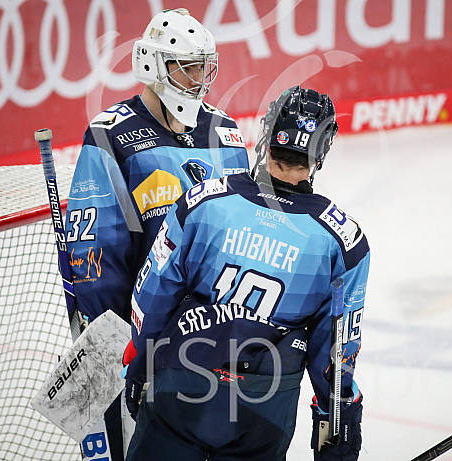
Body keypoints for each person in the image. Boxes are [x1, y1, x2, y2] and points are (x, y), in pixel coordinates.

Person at [123, 86, 369, 461]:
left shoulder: (203, 200)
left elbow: (154, 295)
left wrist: (138, 365)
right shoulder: (343, 241)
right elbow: (336, 349)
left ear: (268, 131)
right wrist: (338, 418)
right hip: (264, 405)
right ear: (322, 150)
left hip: (181, 382)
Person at [65, 8, 249, 460]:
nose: (199, 79)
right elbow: (93, 255)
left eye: (205, 67)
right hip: (140, 343)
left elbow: (242, 234)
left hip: (209, 341)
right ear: (152, 65)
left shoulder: (226, 133)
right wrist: (120, 340)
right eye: (187, 67)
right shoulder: (111, 136)